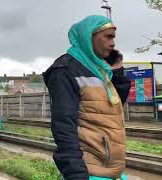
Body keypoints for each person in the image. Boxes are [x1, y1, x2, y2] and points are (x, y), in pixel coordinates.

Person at [42, 15, 130, 180]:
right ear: (89, 36)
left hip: (111, 171)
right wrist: (76, 174)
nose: (113, 43)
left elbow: (113, 108)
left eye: (114, 38)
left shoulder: (98, 68)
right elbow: (64, 126)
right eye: (108, 36)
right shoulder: (65, 69)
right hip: (89, 172)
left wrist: (117, 71)